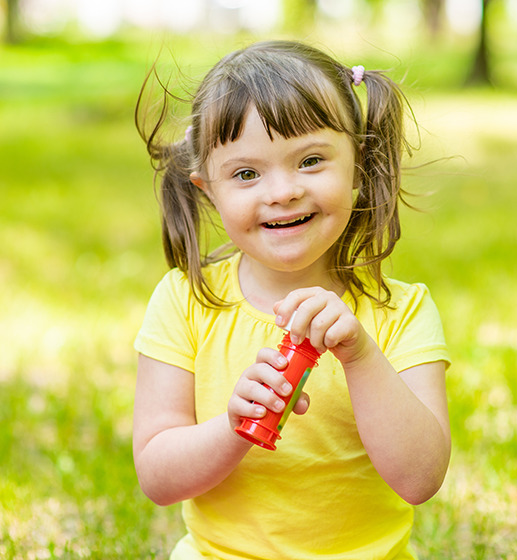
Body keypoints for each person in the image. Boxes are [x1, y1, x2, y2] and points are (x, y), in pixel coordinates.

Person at [132, 40, 451, 560]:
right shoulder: (186, 301)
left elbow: (420, 478)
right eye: (246, 173)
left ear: (359, 164)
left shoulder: (402, 312)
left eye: (309, 160)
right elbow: (158, 477)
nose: (281, 191)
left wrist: (361, 355)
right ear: (207, 189)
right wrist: (232, 427)